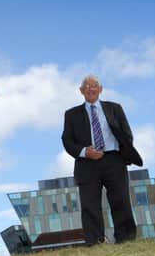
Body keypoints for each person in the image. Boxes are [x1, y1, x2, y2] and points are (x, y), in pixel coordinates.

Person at [61, 75, 143, 245]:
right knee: (90, 205)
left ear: (100, 89)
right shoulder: (71, 114)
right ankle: (95, 242)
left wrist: (123, 153)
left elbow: (127, 133)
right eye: (87, 86)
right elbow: (67, 140)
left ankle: (126, 238)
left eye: (94, 85)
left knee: (120, 199)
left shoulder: (115, 108)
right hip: (87, 163)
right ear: (81, 91)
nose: (91, 88)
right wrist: (84, 151)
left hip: (114, 160)